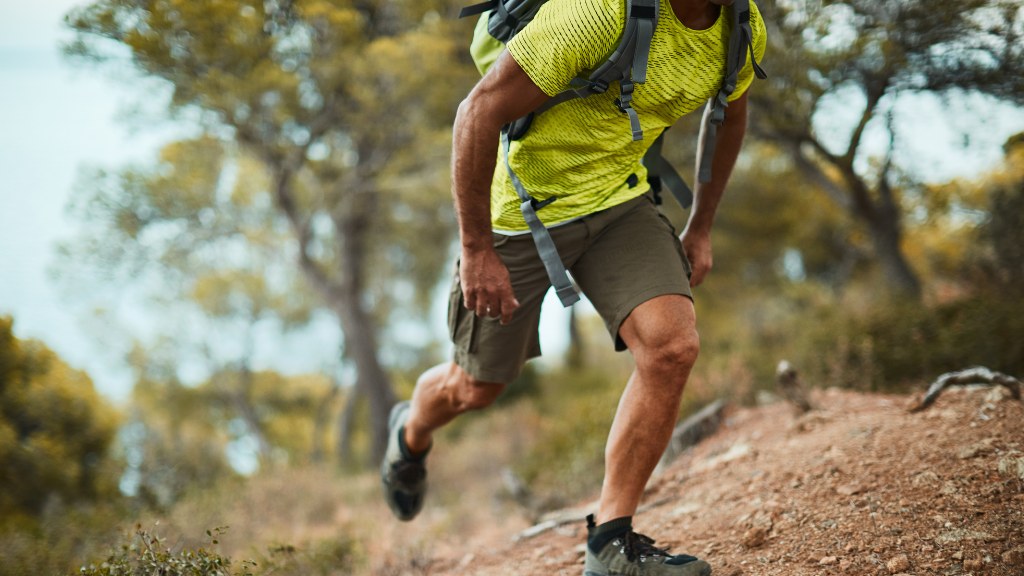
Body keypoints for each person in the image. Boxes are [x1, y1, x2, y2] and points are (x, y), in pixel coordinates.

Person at [382, 0, 766, 573]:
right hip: (521, 215)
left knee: (671, 346)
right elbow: (478, 111)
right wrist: (476, 249)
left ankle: (609, 544)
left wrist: (701, 225)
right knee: (477, 387)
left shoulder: (740, 25)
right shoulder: (597, 13)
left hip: (619, 203)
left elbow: (730, 114)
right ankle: (410, 430)